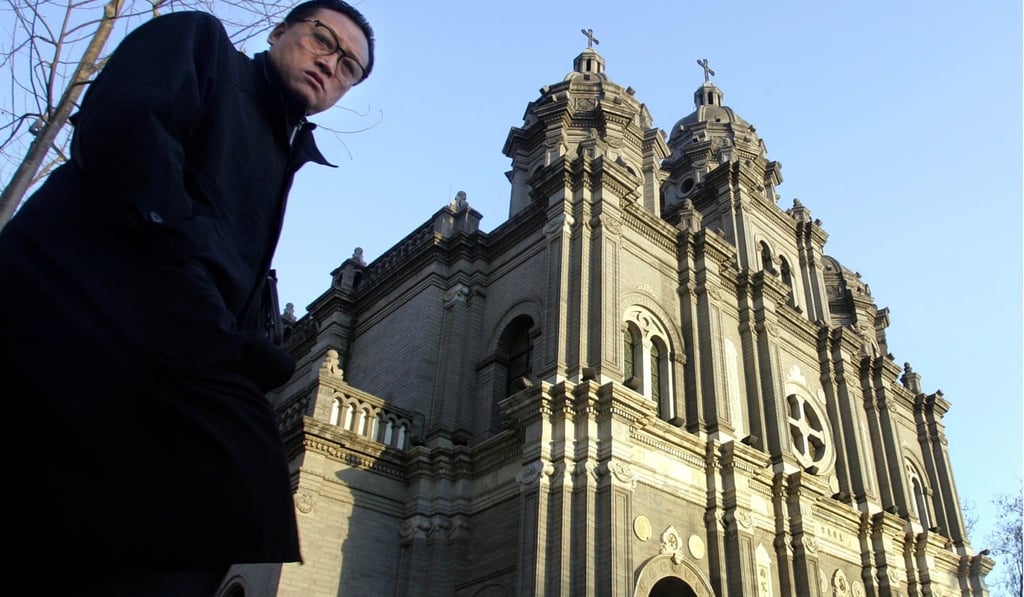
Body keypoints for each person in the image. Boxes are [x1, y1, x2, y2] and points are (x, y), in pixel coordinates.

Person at [0, 1, 374, 594]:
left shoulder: (281, 150)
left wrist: (249, 328)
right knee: (231, 492)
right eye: (323, 41)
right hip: (77, 312)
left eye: (350, 66)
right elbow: (126, 126)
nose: (331, 64)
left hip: (157, 352)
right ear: (281, 32)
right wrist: (187, 272)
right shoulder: (202, 44)